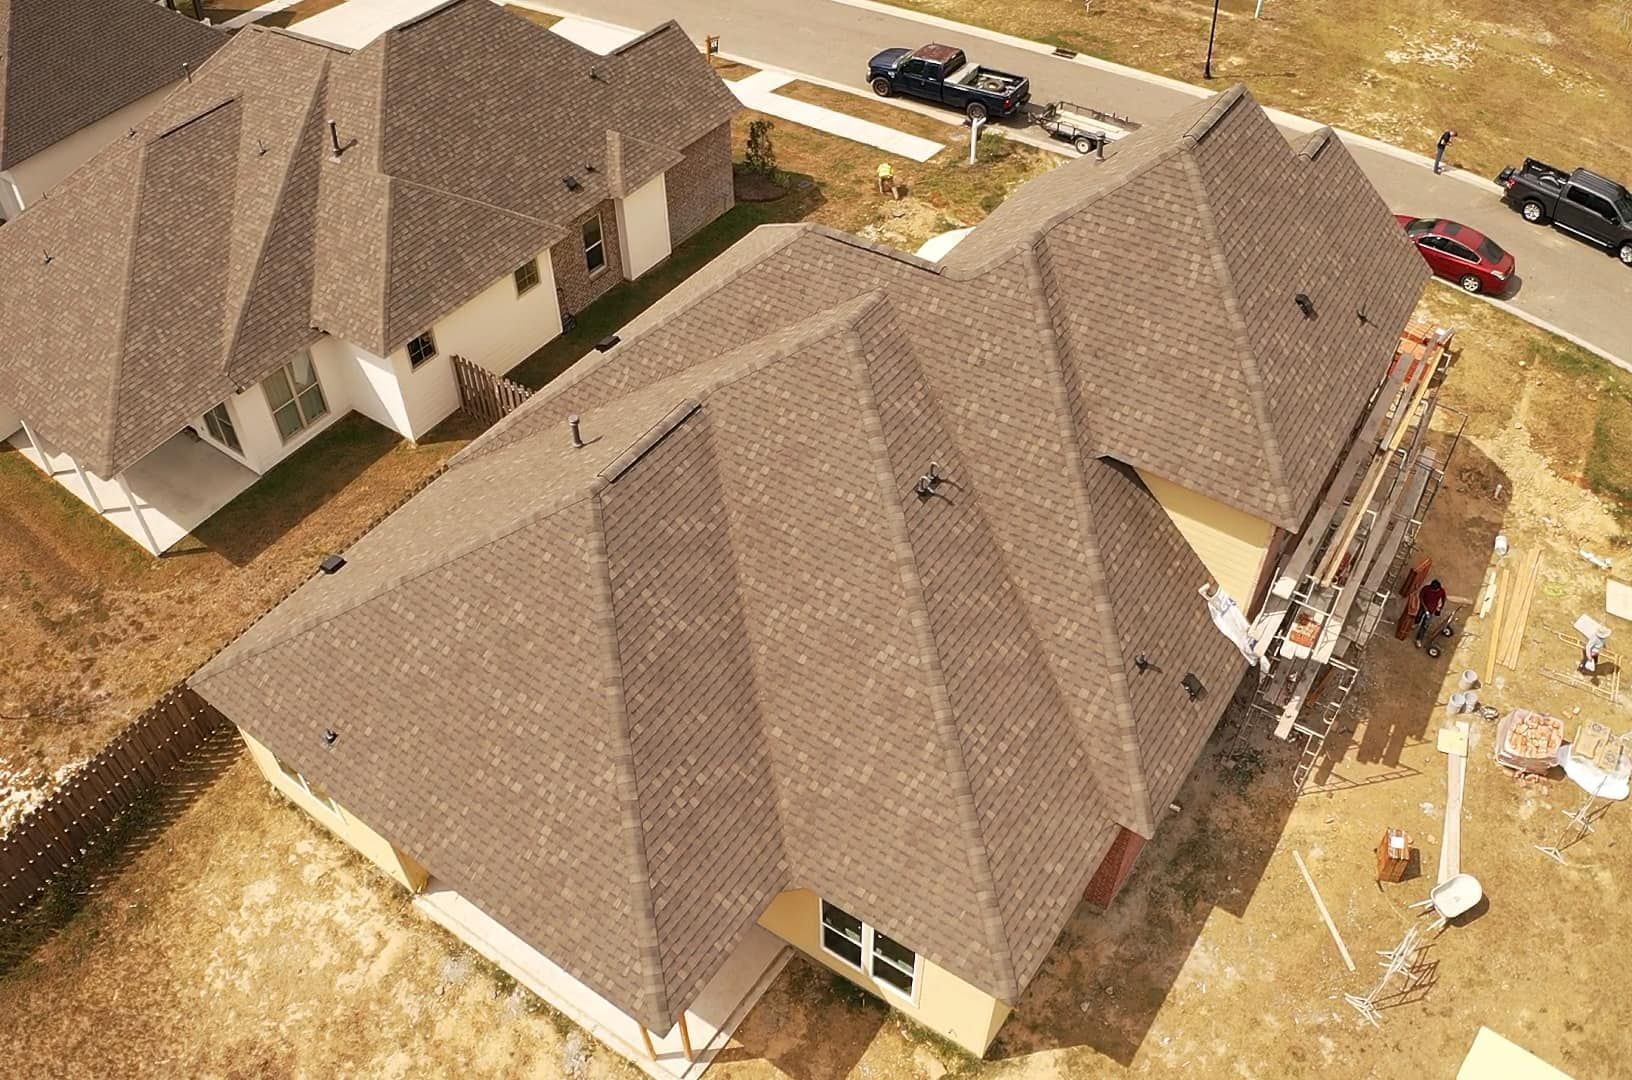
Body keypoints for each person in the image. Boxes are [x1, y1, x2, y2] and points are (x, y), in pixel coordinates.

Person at [1415, 578, 1447, 647]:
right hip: (1423, 606)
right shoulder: (1426, 589)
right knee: (1419, 615)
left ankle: (1419, 639)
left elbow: (1443, 599)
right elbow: (1421, 597)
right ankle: (1416, 623)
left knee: (1425, 625)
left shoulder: (1441, 591)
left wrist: (1440, 608)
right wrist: (1425, 608)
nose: (1436, 591)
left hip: (1432, 610)